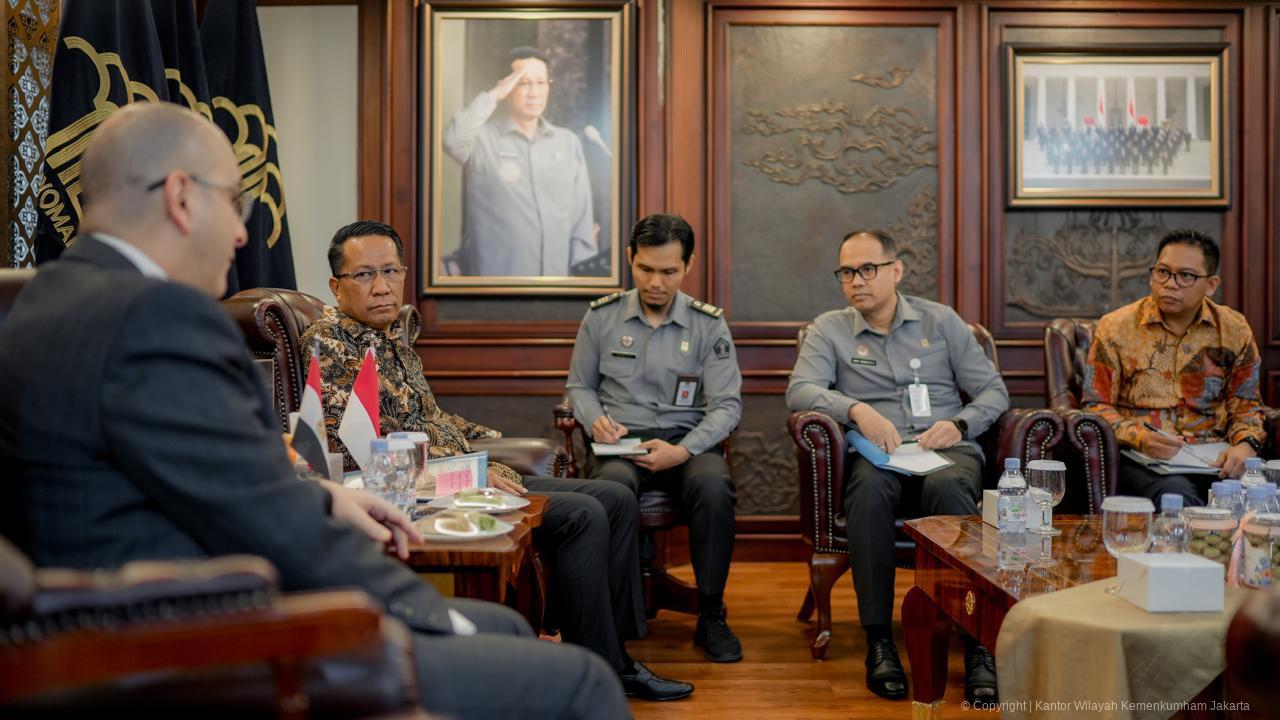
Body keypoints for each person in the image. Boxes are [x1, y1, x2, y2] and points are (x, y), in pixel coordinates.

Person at [0, 102, 628, 720]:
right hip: (193, 645)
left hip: (117, 628)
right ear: (181, 196)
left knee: (505, 631)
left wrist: (324, 497)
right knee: (579, 680)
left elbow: (202, 482)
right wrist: (434, 613)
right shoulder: (158, 317)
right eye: (234, 203)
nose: (244, 232)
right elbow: (276, 528)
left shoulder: (41, 301)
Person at [301, 219, 692, 702]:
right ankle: (606, 663)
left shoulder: (391, 337)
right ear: (336, 286)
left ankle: (606, 645)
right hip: (416, 492)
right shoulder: (332, 343)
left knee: (614, 498)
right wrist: (482, 470)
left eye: (390, 271)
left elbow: (432, 417)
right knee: (585, 511)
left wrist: (489, 444)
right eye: (364, 276)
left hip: (455, 474)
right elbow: (364, 446)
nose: (381, 287)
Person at [786, 229, 1007, 704]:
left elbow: (994, 392)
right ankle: (879, 641)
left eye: (868, 269)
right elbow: (800, 390)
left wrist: (961, 424)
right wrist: (856, 410)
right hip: (880, 456)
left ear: (896, 270)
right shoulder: (830, 328)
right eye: (847, 272)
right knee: (866, 495)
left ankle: (976, 644)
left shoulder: (941, 321)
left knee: (949, 491)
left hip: (944, 450)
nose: (856, 281)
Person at [565, 213, 744, 663]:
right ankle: (617, 623)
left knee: (713, 486)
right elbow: (579, 387)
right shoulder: (602, 317)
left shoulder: (708, 325)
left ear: (688, 266)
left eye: (669, 271)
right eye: (646, 269)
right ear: (630, 259)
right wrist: (595, 421)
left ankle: (710, 614)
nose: (656, 282)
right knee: (612, 490)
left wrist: (683, 450)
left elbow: (727, 405)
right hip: (620, 443)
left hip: (687, 442)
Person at [1083, 229, 1266, 504]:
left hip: (1215, 456)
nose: (1170, 283)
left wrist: (1245, 445)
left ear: (1211, 284)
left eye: (1186, 276)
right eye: (1163, 272)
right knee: (1177, 496)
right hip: (1145, 458)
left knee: (1261, 495)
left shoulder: (1233, 329)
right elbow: (1094, 407)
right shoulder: (1116, 328)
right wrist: (1139, 437)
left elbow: (1247, 406)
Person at [442, 46, 595, 277]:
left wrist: (581, 282)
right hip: (495, 289)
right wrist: (494, 95)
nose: (534, 92)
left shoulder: (567, 143)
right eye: (523, 83)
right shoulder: (483, 140)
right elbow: (452, 140)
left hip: (559, 289)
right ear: (507, 86)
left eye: (541, 82)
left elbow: (581, 220)